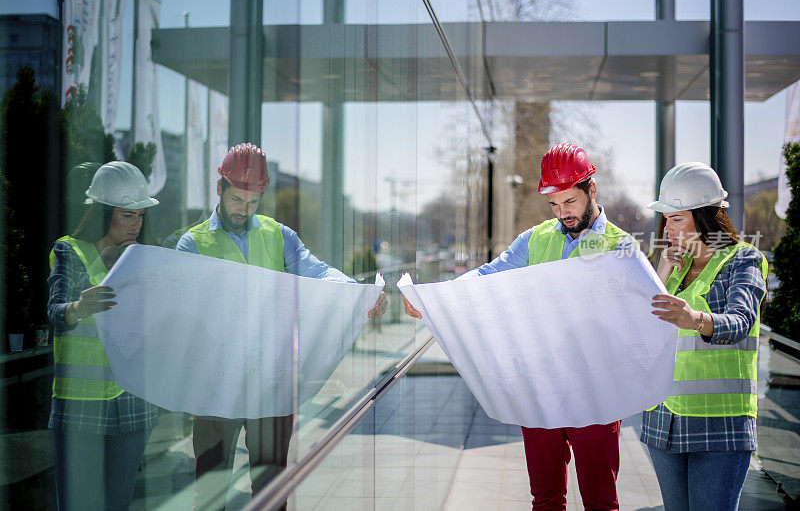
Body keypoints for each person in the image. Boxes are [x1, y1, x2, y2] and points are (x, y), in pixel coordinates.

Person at [404, 143, 631, 511]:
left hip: (596, 393)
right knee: (545, 499)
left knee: (600, 503)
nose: (562, 213)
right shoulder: (536, 239)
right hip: (541, 389)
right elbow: (485, 278)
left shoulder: (620, 247)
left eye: (569, 202)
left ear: (592, 189)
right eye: (554, 205)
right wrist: (433, 301)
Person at [176, 142, 386, 509]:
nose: (245, 209)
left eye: (253, 201)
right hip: (215, 390)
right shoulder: (193, 244)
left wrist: (358, 294)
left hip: (270, 385)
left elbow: (318, 273)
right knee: (210, 495)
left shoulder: (278, 235)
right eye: (238, 199)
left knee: (274, 492)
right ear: (220, 189)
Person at [643, 162, 767, 511]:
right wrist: (662, 270)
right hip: (663, 421)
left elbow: (740, 320)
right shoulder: (670, 264)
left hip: (720, 426)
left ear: (705, 216)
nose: (668, 227)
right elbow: (639, 328)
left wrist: (694, 318)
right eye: (666, 218)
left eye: (677, 218)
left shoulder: (742, 260)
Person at [47, 161, 160, 510]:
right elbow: (54, 311)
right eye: (128, 215)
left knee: (118, 504)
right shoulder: (69, 250)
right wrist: (78, 309)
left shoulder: (144, 257)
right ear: (103, 212)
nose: (137, 223)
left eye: (140, 215)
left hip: (132, 404)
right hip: (80, 405)